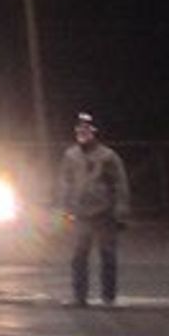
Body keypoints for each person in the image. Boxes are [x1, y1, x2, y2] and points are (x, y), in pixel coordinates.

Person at [54, 111, 130, 305]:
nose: (82, 132)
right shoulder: (70, 155)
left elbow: (120, 184)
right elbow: (65, 183)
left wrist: (121, 211)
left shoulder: (107, 156)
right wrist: (64, 209)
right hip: (81, 213)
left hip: (105, 212)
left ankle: (108, 296)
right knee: (79, 256)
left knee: (107, 255)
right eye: (79, 129)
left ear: (94, 132)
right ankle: (79, 296)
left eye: (87, 129)